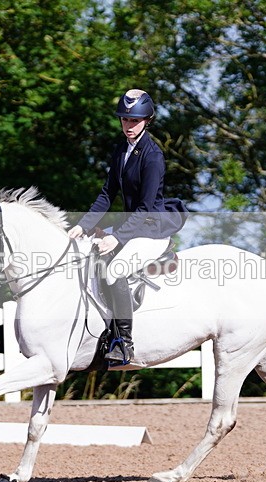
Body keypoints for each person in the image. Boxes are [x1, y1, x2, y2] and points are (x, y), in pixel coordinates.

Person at [68, 89, 187, 365]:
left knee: (113, 272)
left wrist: (116, 238)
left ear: (147, 120)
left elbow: (145, 208)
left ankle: (123, 343)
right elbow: (107, 193)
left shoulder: (153, 156)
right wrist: (83, 225)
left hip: (151, 230)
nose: (129, 126)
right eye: (124, 120)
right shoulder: (122, 148)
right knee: (83, 253)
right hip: (132, 226)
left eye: (134, 121)